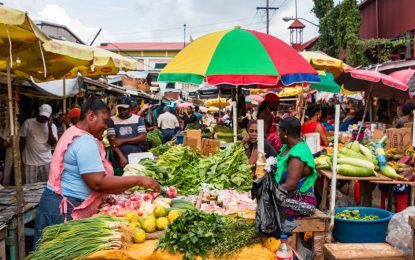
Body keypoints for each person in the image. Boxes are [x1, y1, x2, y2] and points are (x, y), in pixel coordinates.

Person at [33, 96, 160, 245]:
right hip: (61, 211)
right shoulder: (84, 141)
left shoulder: (73, 132)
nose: (106, 127)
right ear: (91, 116)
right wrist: (139, 180)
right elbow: (98, 182)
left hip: (57, 204)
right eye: (105, 121)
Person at [276, 116, 318, 219]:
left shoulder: (297, 154)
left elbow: (291, 185)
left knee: (268, 205)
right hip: (289, 196)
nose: (278, 134)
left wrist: (269, 192)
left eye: (279, 131)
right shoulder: (288, 147)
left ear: (285, 133)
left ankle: (285, 234)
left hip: (300, 201)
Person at [20, 104, 58, 184]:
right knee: (29, 187)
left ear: (50, 115)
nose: (44, 118)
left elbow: (52, 144)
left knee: (47, 186)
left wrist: (49, 127)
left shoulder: (53, 127)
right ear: (38, 113)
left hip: (46, 161)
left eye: (46, 116)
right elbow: (22, 141)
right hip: (30, 162)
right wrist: (20, 158)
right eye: (42, 116)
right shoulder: (28, 123)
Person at [108, 96, 147, 169]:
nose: (122, 111)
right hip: (119, 158)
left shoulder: (138, 119)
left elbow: (142, 137)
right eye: (120, 109)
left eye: (125, 109)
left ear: (130, 108)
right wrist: (121, 157)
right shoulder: (112, 120)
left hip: (136, 156)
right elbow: (112, 142)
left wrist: (122, 140)